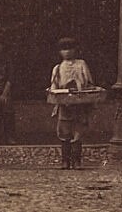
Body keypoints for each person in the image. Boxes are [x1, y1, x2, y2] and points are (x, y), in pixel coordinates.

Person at [47, 35, 94, 170]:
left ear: (75, 50)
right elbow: (54, 86)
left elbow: (89, 82)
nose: (67, 52)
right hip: (64, 104)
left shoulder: (81, 64)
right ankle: (65, 160)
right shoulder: (57, 68)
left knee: (78, 131)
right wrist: (56, 94)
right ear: (60, 52)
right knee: (64, 132)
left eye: (70, 49)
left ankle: (77, 160)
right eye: (64, 49)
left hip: (79, 103)